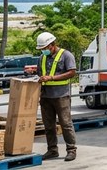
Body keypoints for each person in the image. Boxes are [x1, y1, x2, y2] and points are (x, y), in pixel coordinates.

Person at [29, 31, 77, 161]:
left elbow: (72, 72)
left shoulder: (66, 55)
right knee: (48, 125)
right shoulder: (42, 58)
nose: (43, 50)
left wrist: (51, 78)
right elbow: (40, 74)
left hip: (61, 96)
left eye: (45, 48)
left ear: (52, 44)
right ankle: (52, 150)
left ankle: (71, 150)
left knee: (66, 124)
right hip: (46, 96)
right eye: (41, 49)